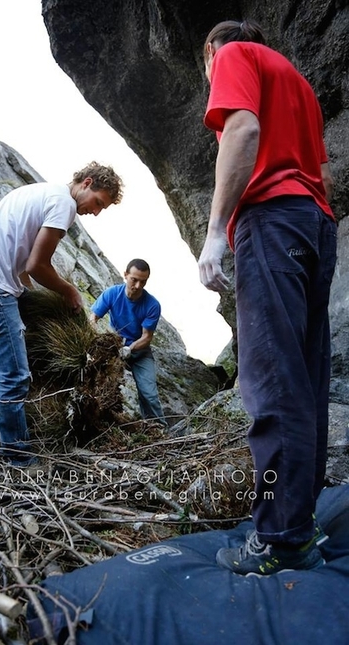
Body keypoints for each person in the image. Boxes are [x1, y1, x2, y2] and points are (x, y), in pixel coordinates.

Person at [198, 20, 337, 575]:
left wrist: (214, 231)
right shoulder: (297, 82)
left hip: (272, 220)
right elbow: (318, 169)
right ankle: (298, 520)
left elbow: (243, 130)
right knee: (304, 378)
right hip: (315, 222)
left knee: (272, 379)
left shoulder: (233, 55)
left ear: (211, 50)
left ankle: (279, 538)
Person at [0, 162, 124, 468]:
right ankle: (17, 457)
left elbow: (21, 259)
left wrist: (33, 294)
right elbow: (37, 264)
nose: (96, 212)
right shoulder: (64, 205)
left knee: (24, 343)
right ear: (86, 183)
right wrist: (69, 291)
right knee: (16, 375)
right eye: (98, 202)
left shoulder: (43, 192)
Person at [90, 259, 167, 428]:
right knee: (103, 384)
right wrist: (96, 338)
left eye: (143, 281)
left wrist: (129, 349)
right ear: (125, 275)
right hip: (115, 347)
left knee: (149, 393)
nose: (138, 285)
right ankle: (101, 421)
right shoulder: (112, 294)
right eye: (134, 279)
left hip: (140, 351)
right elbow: (93, 318)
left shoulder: (152, 305)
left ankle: (158, 428)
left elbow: (147, 337)